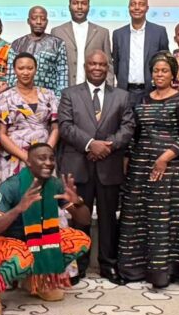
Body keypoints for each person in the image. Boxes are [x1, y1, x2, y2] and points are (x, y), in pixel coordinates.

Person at [118, 52, 179, 288]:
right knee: (139, 218)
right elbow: (135, 134)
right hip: (141, 169)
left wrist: (164, 158)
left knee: (167, 219)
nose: (159, 74)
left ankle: (168, 271)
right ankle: (135, 269)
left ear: (173, 74)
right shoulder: (142, 101)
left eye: (164, 70)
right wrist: (128, 158)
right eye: (156, 71)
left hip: (172, 172)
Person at [0, 143, 92, 315]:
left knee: (81, 241)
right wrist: (18, 208)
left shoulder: (55, 185)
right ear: (29, 162)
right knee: (23, 260)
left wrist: (77, 202)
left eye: (51, 158)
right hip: (6, 242)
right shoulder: (11, 186)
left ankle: (36, 280)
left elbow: (85, 220)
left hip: (39, 241)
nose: (48, 162)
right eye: (42, 158)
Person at [57, 50, 135, 283]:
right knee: (79, 217)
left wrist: (106, 146)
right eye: (92, 64)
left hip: (109, 166)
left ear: (107, 67)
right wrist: (91, 144)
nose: (97, 68)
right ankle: (78, 266)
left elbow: (128, 127)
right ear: (85, 66)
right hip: (78, 166)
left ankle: (108, 265)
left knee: (108, 218)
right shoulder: (69, 94)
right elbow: (65, 126)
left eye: (101, 64)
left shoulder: (122, 96)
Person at [0, 53, 60, 187]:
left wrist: (44, 153)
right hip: (14, 155)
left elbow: (55, 128)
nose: (25, 72)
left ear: (36, 69)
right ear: (14, 70)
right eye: (21, 68)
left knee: (45, 194)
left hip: (44, 156)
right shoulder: (4, 97)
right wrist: (26, 157)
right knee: (15, 194)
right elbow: (1, 134)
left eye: (29, 68)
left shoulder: (48, 95)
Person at [112, 0, 170, 105]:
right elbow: (116, 64)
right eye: (133, 4)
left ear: (147, 8)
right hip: (125, 92)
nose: (137, 7)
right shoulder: (118, 34)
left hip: (152, 91)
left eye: (141, 4)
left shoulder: (159, 32)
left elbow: (166, 62)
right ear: (128, 8)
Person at [51, 0, 114, 87]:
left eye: (84, 3)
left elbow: (108, 65)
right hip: (66, 89)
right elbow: (53, 65)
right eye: (75, 3)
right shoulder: (57, 32)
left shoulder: (102, 32)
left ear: (89, 7)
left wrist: (109, 89)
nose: (79, 7)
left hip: (93, 89)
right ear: (69, 7)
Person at [8, 6, 69, 97]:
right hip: (20, 98)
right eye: (34, 18)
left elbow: (62, 75)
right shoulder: (17, 44)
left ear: (47, 22)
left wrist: (58, 99)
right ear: (28, 21)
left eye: (43, 19)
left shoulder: (57, 43)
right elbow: (11, 76)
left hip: (49, 98)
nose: (39, 22)